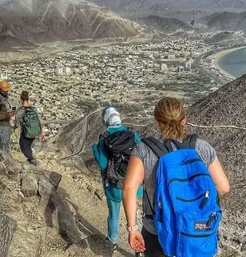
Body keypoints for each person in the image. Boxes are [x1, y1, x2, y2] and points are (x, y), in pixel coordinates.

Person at [122, 97, 230, 257]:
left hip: (157, 230)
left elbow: (129, 189)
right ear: (184, 120)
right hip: (195, 230)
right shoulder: (202, 147)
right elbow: (223, 188)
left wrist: (133, 229)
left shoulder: (144, 149)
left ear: (157, 121)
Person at [92, 107, 143, 253]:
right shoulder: (132, 134)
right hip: (133, 185)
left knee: (114, 214)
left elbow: (102, 164)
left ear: (106, 120)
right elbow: (141, 155)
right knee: (133, 214)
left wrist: (95, 149)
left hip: (114, 187)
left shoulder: (105, 137)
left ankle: (112, 240)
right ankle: (139, 249)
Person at [15, 91, 45, 165]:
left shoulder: (20, 110)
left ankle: (32, 159)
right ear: (28, 99)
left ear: (21, 100)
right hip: (34, 131)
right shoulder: (33, 109)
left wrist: (15, 128)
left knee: (23, 146)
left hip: (26, 132)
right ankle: (30, 159)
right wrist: (41, 132)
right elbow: (39, 121)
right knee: (28, 146)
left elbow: (16, 123)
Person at [0, 80, 14, 152]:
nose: (6, 92)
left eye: (7, 91)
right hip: (0, 128)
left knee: (5, 146)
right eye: (4, 91)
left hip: (6, 127)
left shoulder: (5, 99)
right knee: (3, 149)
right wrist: (6, 115)